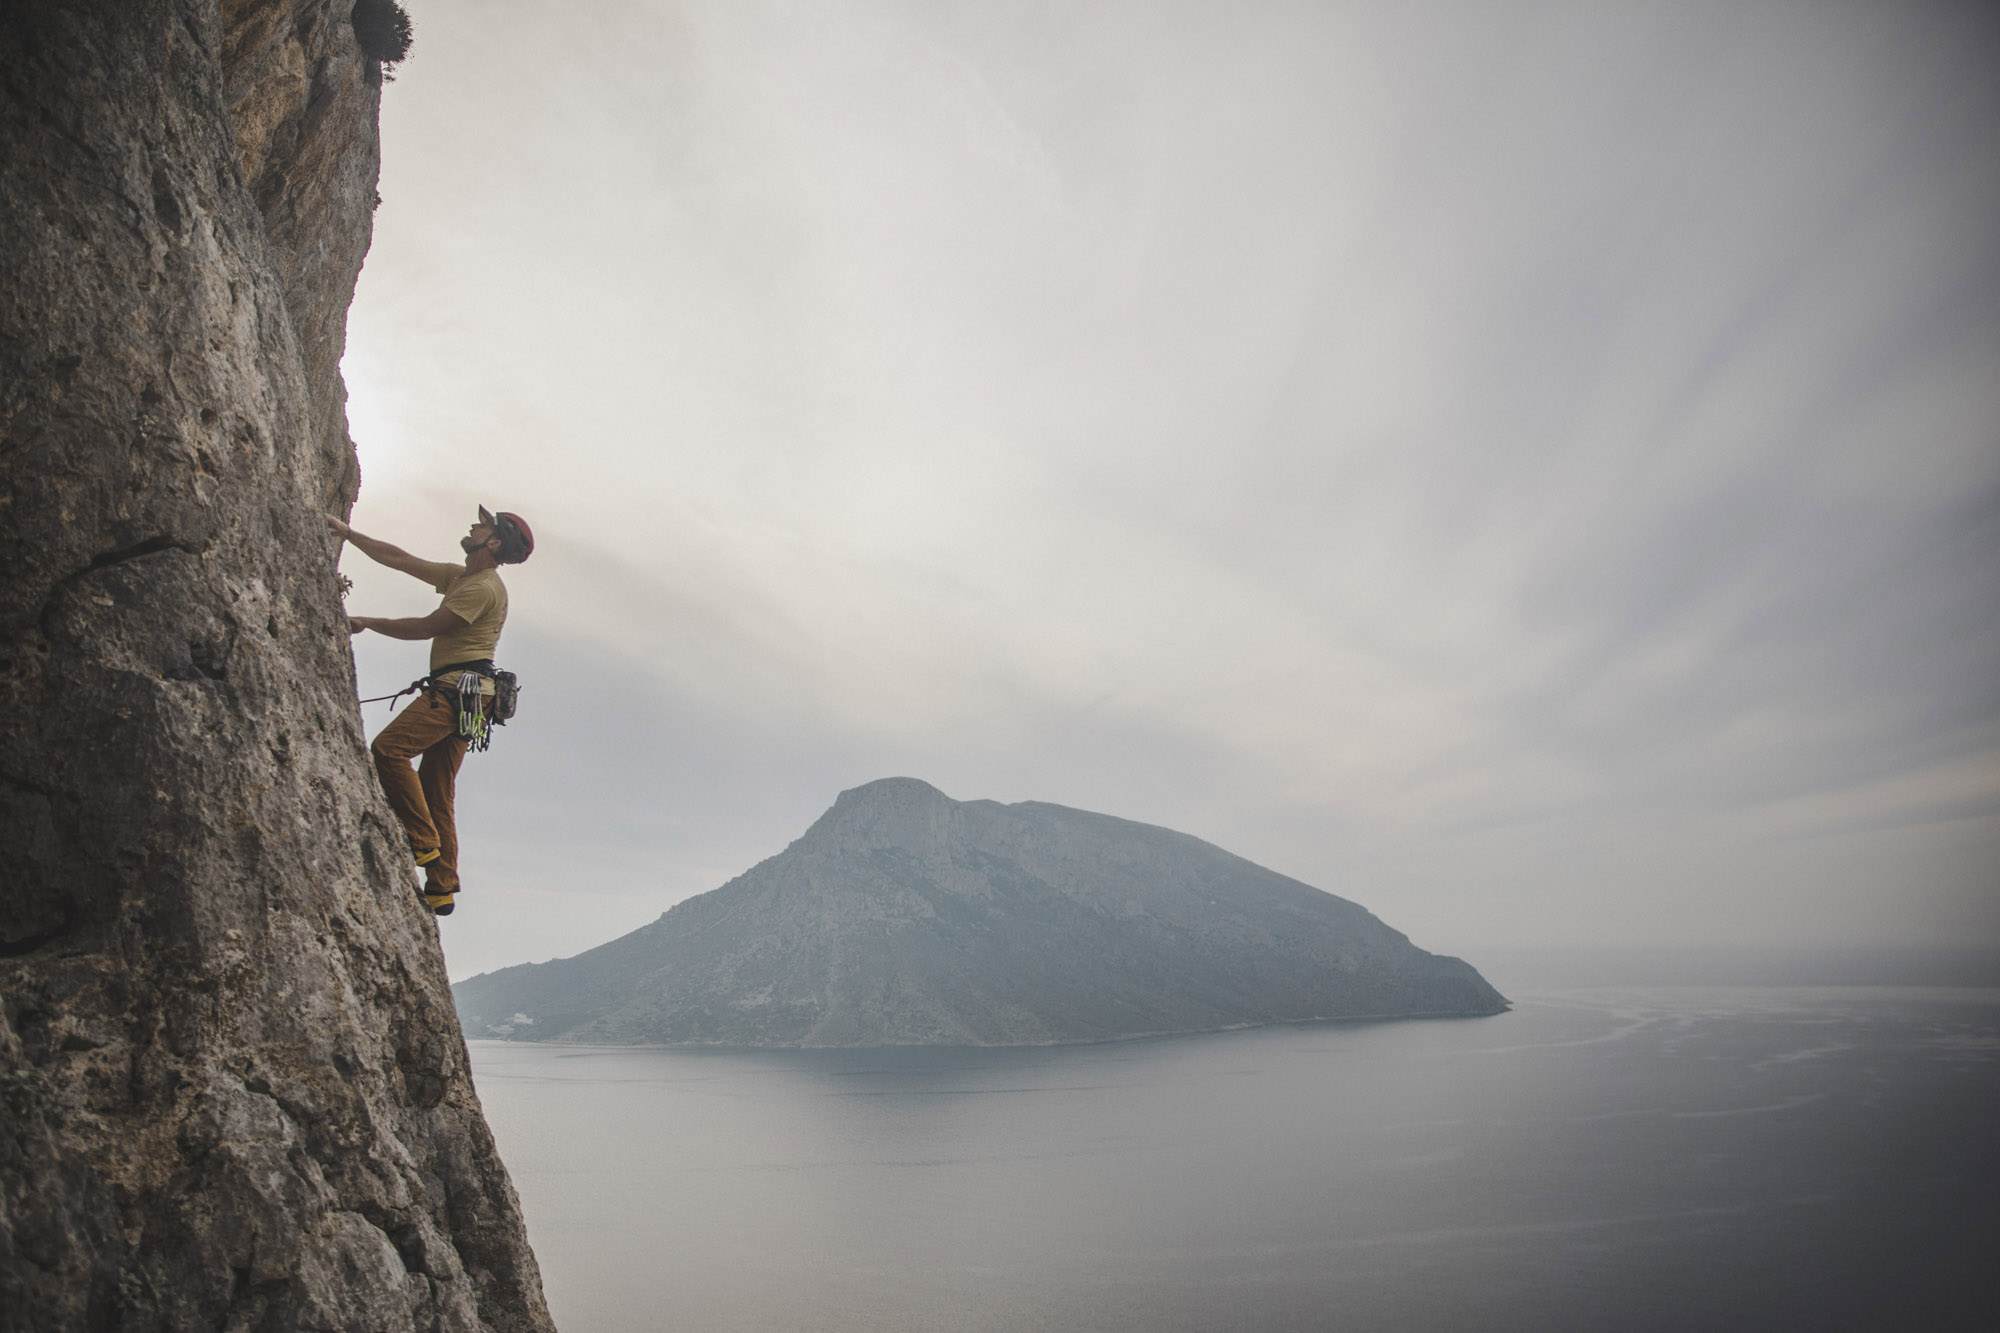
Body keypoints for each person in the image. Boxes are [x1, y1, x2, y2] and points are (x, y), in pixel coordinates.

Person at [328, 505, 534, 916]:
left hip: (459, 690)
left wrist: (366, 620)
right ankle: (441, 887)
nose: (473, 525)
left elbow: (427, 627)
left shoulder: (483, 588)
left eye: (483, 525)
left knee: (389, 750)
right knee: (437, 788)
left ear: (493, 542)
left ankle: (421, 841)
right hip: (474, 698)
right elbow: (401, 560)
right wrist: (348, 533)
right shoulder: (461, 577)